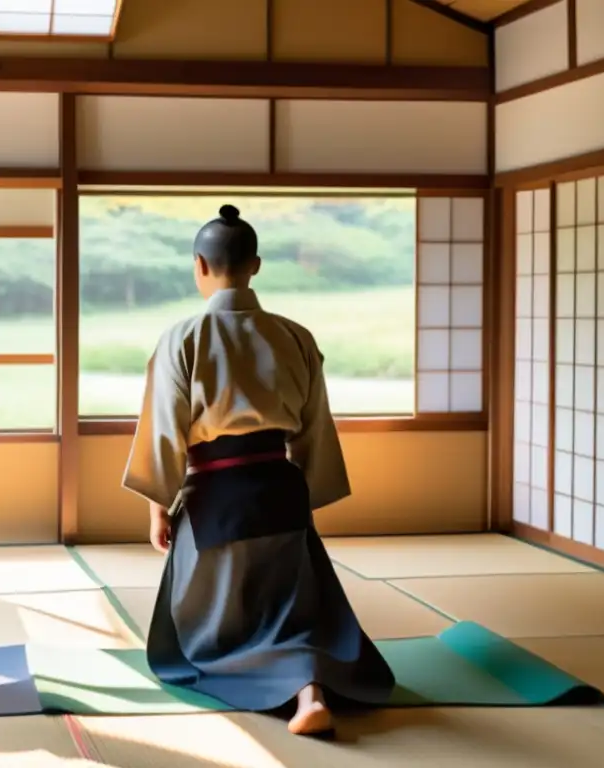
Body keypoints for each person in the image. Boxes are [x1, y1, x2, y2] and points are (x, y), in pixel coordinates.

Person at [122, 204, 395, 737]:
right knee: (292, 611)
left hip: (214, 501)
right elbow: (315, 427)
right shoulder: (295, 336)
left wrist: (159, 509)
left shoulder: (182, 338)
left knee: (205, 640)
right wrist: (306, 497)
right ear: (256, 266)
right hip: (281, 494)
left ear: (199, 265)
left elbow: (163, 435)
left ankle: (291, 685)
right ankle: (309, 685)